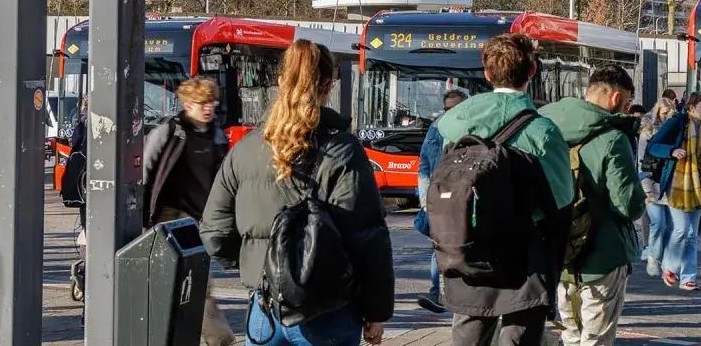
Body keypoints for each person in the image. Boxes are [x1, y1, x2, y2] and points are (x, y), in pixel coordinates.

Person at [201, 40, 393, 346]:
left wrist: (260, 266)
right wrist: (377, 311)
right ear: (329, 85)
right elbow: (368, 238)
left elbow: (214, 231)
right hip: (329, 308)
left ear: (279, 82)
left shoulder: (246, 149)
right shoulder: (342, 151)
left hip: (265, 309)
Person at [434, 32, 573, 346]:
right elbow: (561, 203)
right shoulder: (543, 131)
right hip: (526, 257)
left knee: (468, 336)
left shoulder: (455, 125)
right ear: (532, 71)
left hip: (467, 247)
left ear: (486, 73)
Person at [540, 65, 646, 346]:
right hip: (603, 254)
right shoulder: (613, 138)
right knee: (596, 338)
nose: (627, 108)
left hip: (557, 251)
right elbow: (628, 205)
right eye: (627, 101)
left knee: (570, 334)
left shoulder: (545, 126)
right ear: (615, 99)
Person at [142, 77, 235, 346]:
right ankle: (218, 340)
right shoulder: (169, 131)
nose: (208, 108)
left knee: (198, 282)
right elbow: (146, 174)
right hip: (168, 217)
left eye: (212, 103)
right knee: (172, 281)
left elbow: (223, 178)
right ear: (186, 104)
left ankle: (213, 339)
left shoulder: (216, 135)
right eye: (201, 103)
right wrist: (144, 219)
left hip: (198, 220)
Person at [646, 92, 701, 290]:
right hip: (678, 183)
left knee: (693, 234)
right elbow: (654, 146)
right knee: (681, 230)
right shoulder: (677, 123)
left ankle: (688, 278)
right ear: (691, 107)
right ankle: (669, 267)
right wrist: (671, 151)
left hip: (699, 184)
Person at [416, 88, 469, 312]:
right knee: (438, 244)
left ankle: (460, 295)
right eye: (447, 109)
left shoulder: (471, 128)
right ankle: (437, 293)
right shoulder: (435, 129)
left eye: (455, 108)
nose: (450, 112)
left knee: (461, 246)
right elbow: (424, 164)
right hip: (439, 196)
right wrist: (426, 199)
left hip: (463, 197)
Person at [639, 97, 676, 276]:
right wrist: (645, 187)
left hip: (669, 182)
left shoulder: (675, 131)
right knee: (658, 223)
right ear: (657, 113)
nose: (668, 117)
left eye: (671, 114)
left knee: (669, 225)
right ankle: (653, 256)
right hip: (651, 181)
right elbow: (641, 161)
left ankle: (664, 261)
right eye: (664, 113)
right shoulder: (647, 131)